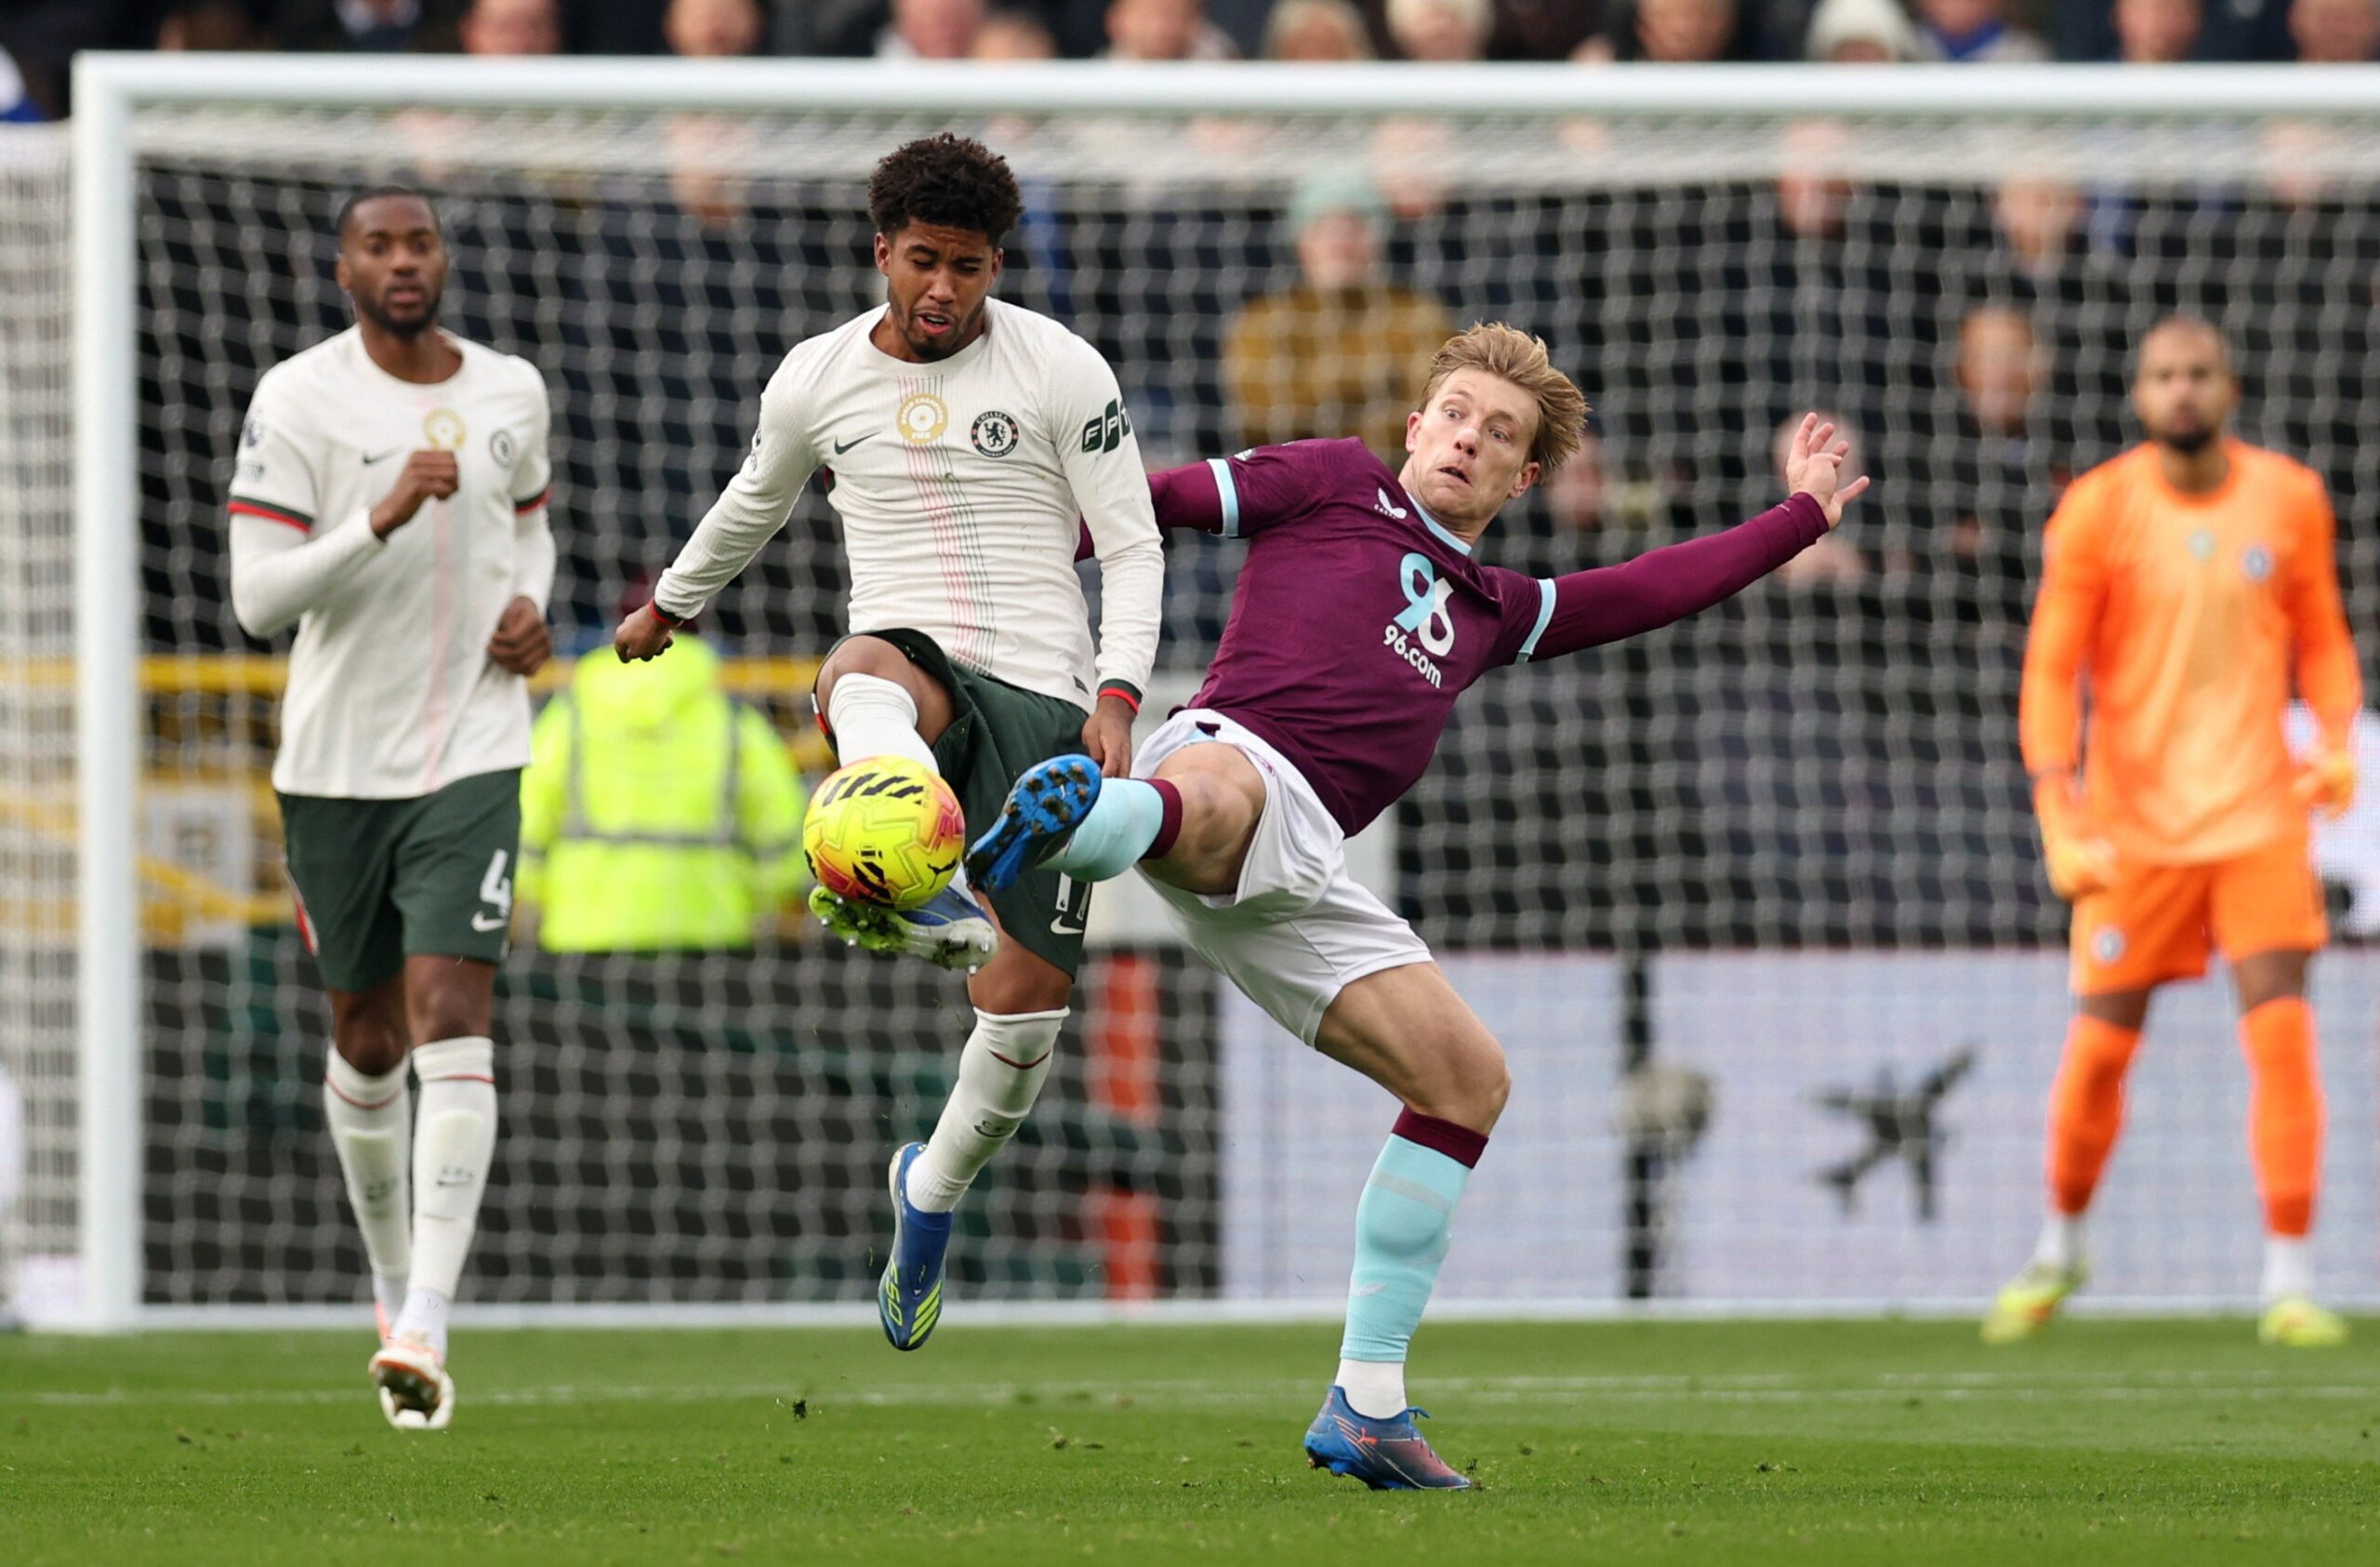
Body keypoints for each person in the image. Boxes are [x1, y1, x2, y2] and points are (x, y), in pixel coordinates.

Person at [967, 325, 1867, 1488]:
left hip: (1297, 874)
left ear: (1521, 478)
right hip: (1224, 767)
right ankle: (1074, 824)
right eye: (1453, 411)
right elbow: (1150, 504)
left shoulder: (1497, 607)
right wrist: (1008, 546)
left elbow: (1653, 586)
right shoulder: (1335, 479)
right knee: (1227, 792)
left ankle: (1368, 1401)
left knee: (1466, 1079)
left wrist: (1798, 516)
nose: (1467, 436)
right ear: (1415, 424)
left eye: (1498, 432)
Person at [611, 135, 1163, 1351]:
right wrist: (671, 602)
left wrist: (1119, 695)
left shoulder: (1062, 367)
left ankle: (928, 1198)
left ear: (994, 265)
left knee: (1020, 1028)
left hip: (1047, 701)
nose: (942, 289)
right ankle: (913, 874)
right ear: (882, 253)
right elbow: (754, 498)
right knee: (860, 673)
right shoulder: (816, 378)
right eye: (922, 261)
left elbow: (1130, 544)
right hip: (914, 661)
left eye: (967, 267)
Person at [227, 187, 557, 1428]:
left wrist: (528, 605)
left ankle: (426, 1318)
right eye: (380, 245)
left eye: (420, 242)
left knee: (449, 1009)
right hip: (335, 764)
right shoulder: (300, 401)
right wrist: (377, 516)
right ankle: (386, 1275)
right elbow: (260, 601)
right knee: (366, 1038)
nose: (403, 261)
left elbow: (529, 532)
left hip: (473, 743)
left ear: (445, 260)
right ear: (343, 269)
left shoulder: (509, 391)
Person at [1985, 318, 2360, 1349]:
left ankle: (2287, 1280)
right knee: (2100, 1052)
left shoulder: (2289, 496)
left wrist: (2335, 740)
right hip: (2132, 826)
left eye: (2197, 373)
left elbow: (2324, 635)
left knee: (2281, 1035)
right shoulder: (2098, 507)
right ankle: (2061, 1246)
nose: (2181, 390)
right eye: (2162, 375)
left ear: (2226, 386)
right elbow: (2052, 668)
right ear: (2140, 393)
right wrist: (2056, 806)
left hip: (2256, 819)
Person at [517, 632, 809, 952]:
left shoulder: (571, 716)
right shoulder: (731, 717)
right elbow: (779, 819)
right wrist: (769, 899)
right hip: (713, 927)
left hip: (583, 929)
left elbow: (529, 810)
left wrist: (530, 894)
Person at [1223, 173, 1454, 463]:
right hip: (1292, 481)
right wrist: (1378, 381)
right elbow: (1261, 415)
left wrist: (1319, 401)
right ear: (1301, 242)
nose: (1340, 244)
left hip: (1393, 480)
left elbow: (1431, 413)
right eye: (1324, 230)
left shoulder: (1419, 316)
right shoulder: (1262, 321)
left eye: (1355, 229)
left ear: (1378, 240)